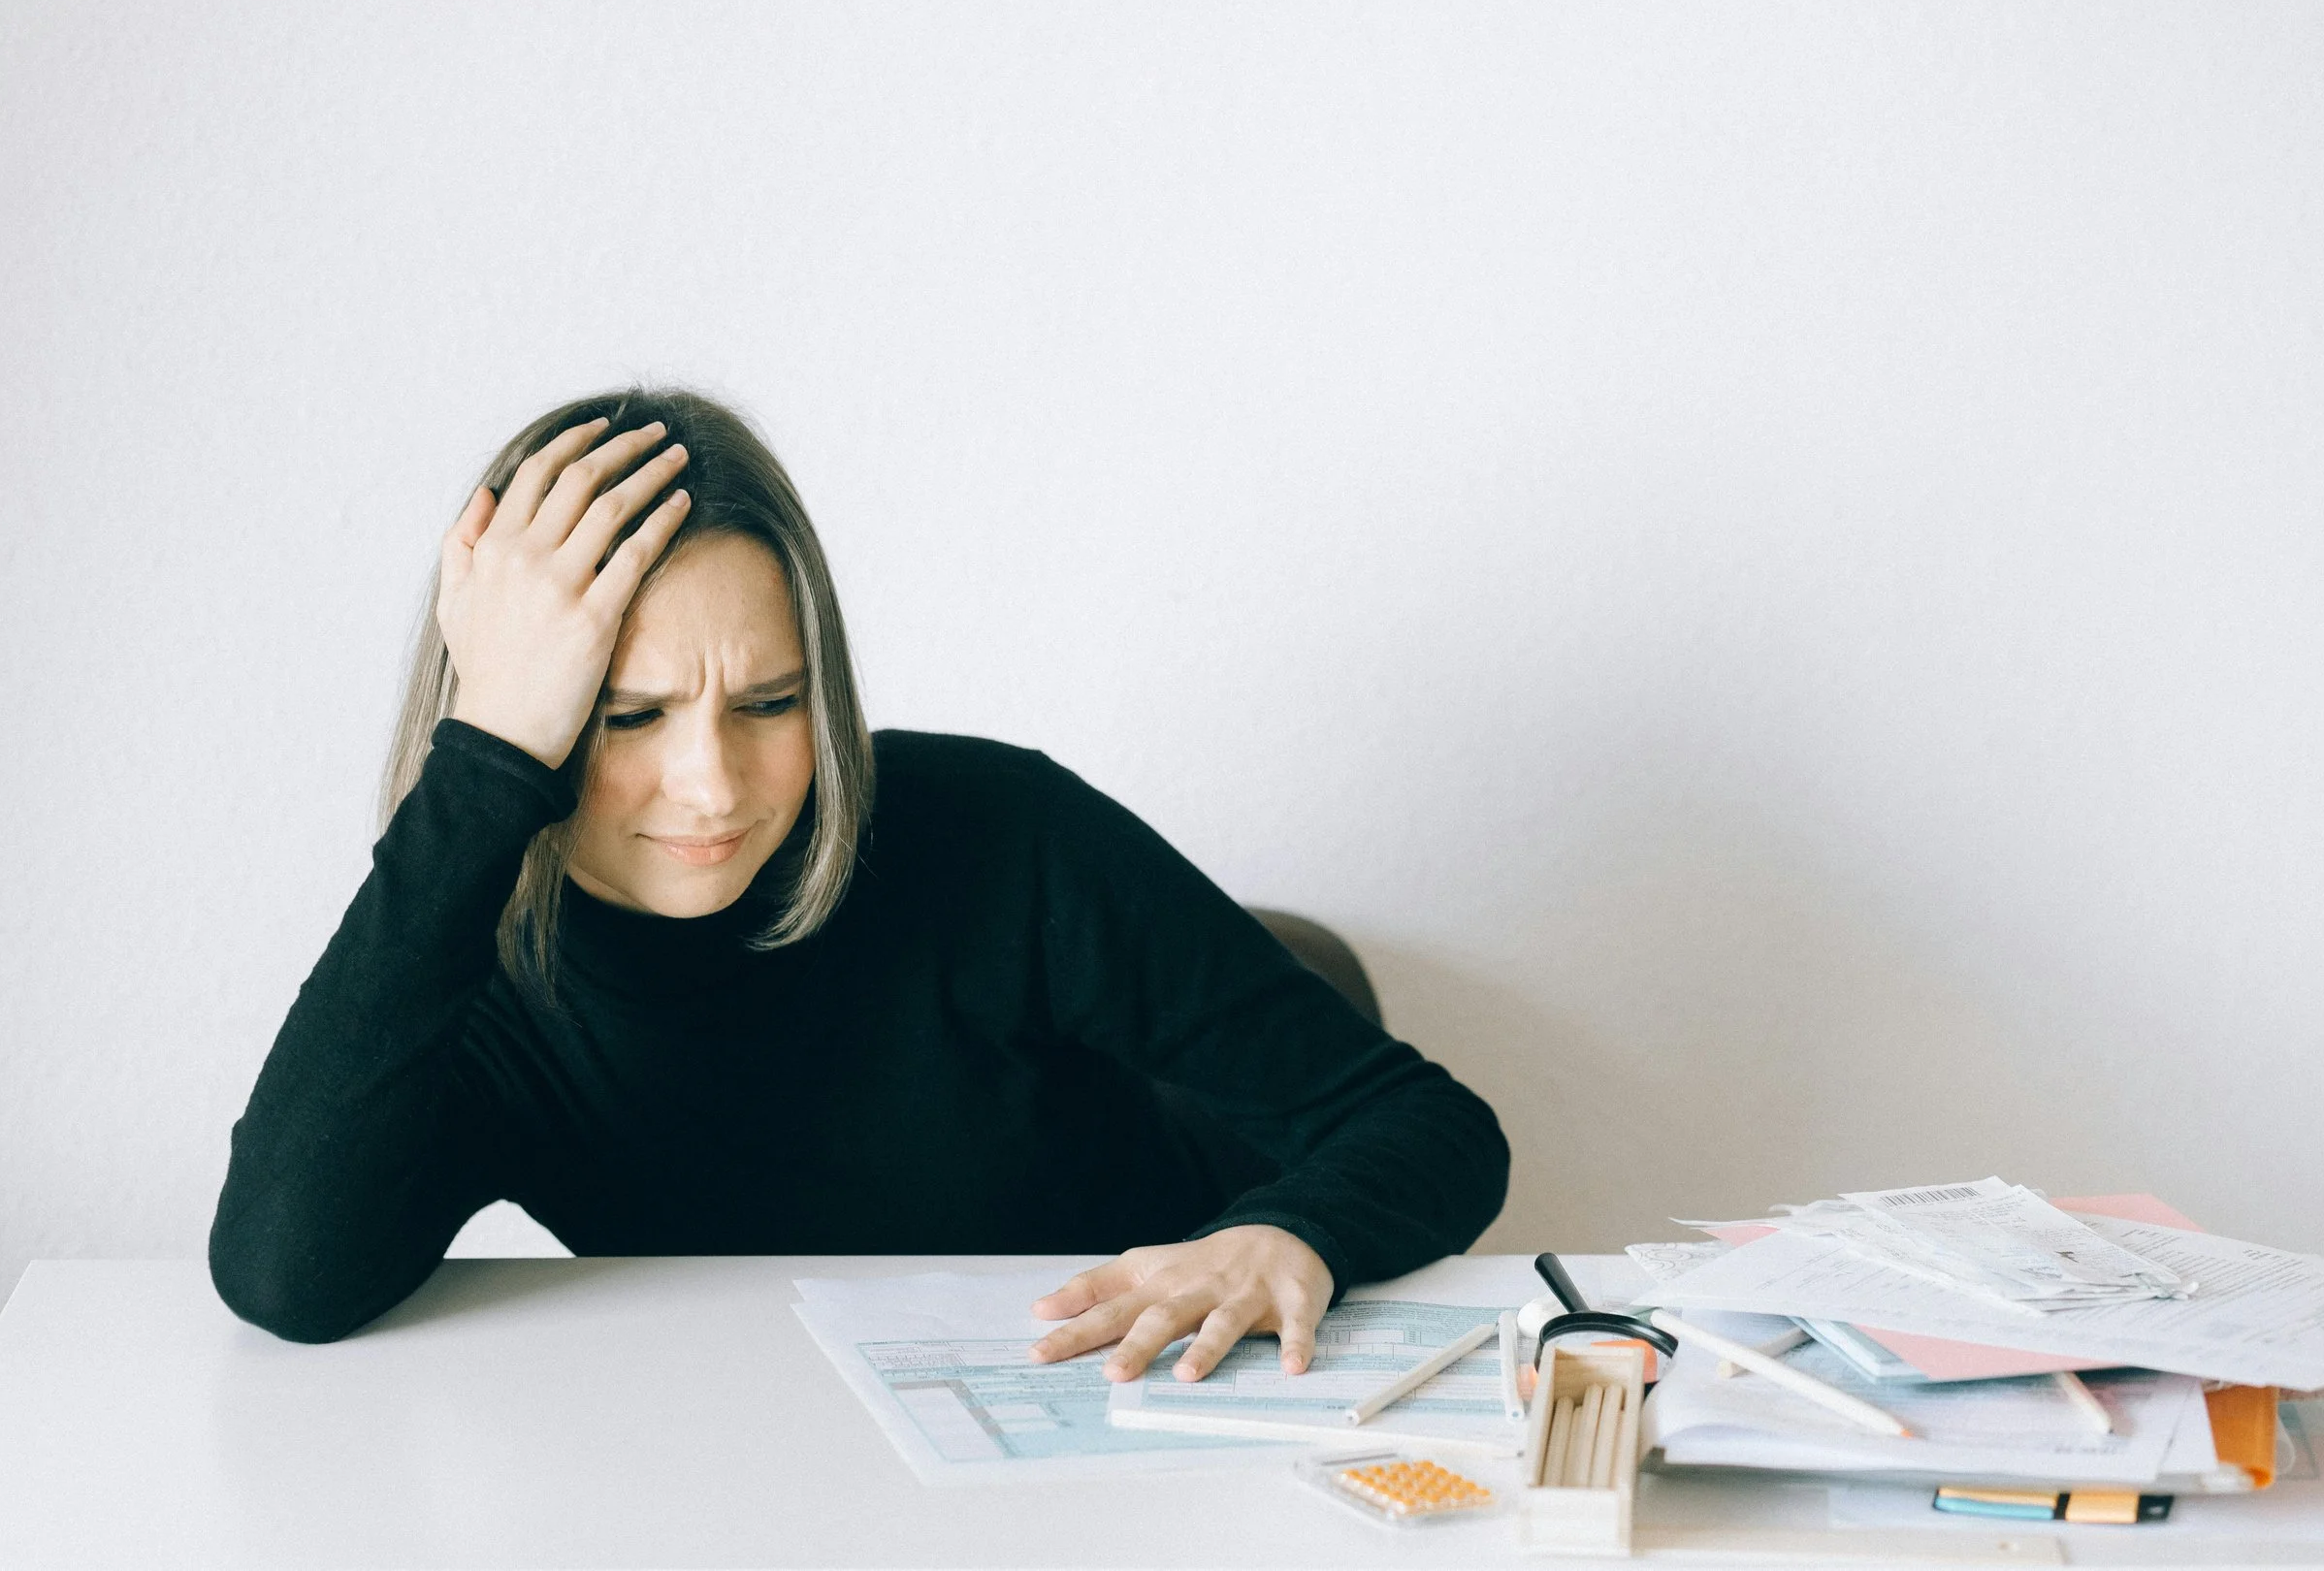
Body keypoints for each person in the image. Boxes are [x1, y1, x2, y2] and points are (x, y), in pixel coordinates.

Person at [209, 387, 1511, 1384]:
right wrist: (482, 768)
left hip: (1134, 1416)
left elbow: (1434, 1127)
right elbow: (282, 1275)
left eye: (769, 701)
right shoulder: (480, 978)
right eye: (629, 715)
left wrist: (1293, 1231)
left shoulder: (999, 833)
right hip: (788, 1460)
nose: (713, 786)